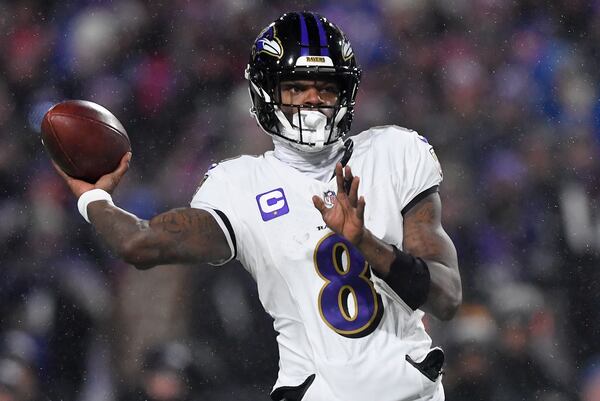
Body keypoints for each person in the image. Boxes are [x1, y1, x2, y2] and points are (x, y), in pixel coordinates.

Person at [55, 12, 461, 401]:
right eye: (296, 88)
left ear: (346, 92)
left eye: (325, 88)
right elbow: (139, 245)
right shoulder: (239, 185)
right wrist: (93, 196)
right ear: (267, 93)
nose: (312, 101)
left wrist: (367, 244)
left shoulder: (396, 152)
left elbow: (446, 297)